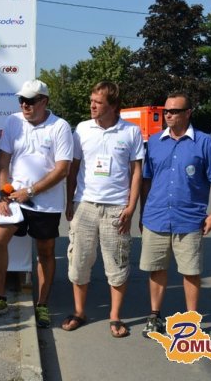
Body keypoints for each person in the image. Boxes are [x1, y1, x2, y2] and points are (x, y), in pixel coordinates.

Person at [0, 79, 73, 328]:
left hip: (46, 203)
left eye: (30, 101)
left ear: (44, 101)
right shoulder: (13, 121)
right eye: (21, 100)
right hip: (15, 199)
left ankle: (42, 305)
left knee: (45, 252)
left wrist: (31, 191)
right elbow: (3, 161)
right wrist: (4, 192)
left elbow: (62, 169)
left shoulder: (60, 126)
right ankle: (0, 298)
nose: (24, 105)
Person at [139, 91, 211, 337]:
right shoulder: (154, 142)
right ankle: (155, 316)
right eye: (166, 111)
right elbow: (146, 180)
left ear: (188, 113)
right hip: (156, 217)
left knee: (190, 271)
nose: (168, 115)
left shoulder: (204, 142)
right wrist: (143, 213)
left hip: (189, 219)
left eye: (174, 111)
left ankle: (191, 321)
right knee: (156, 269)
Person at [63, 81, 144, 337]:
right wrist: (69, 201)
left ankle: (115, 317)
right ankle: (79, 312)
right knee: (79, 261)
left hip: (116, 208)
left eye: (98, 102)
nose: (92, 106)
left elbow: (136, 172)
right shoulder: (82, 129)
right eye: (91, 100)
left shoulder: (131, 132)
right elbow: (74, 168)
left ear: (113, 106)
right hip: (85, 205)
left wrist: (131, 207)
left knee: (117, 264)